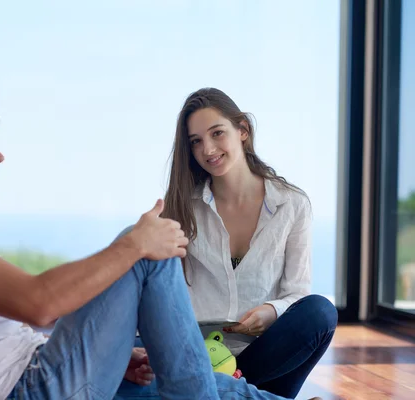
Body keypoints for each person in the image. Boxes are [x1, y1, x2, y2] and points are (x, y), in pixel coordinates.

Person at [0, 85, 297, 400]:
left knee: (193, 380)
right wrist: (135, 246)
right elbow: (39, 303)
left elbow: (28, 322)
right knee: (146, 253)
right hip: (30, 390)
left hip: (39, 370)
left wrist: (113, 354)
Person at [136, 87, 335, 398]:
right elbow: (160, 296)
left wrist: (272, 310)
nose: (208, 149)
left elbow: (296, 293)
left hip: (264, 357)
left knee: (320, 313)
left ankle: (221, 391)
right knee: (132, 355)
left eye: (217, 133)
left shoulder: (293, 205)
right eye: (196, 141)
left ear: (242, 130)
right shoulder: (180, 208)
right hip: (197, 354)